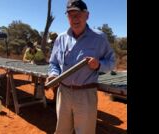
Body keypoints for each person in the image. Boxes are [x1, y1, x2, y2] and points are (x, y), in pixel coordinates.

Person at [47, 0, 116, 134]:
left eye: (78, 14)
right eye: (70, 15)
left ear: (87, 15)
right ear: (67, 17)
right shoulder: (60, 38)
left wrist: (99, 65)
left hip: (86, 93)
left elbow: (112, 62)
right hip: (63, 92)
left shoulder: (99, 38)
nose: (74, 18)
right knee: (62, 131)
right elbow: (54, 63)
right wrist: (54, 74)